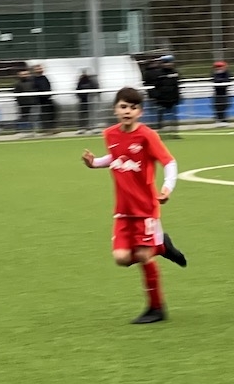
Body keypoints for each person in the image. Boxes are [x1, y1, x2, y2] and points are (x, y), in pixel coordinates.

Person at [82, 86, 188, 324]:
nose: (127, 111)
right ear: (115, 109)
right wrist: (94, 163)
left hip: (146, 210)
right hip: (123, 211)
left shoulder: (147, 136)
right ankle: (162, 246)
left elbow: (169, 162)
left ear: (140, 112)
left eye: (133, 107)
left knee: (142, 254)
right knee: (121, 258)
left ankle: (156, 308)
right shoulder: (110, 134)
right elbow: (116, 156)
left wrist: (167, 188)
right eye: (123, 106)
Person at [150, 54, 183, 137]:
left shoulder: (175, 73)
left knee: (173, 117)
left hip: (173, 99)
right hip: (161, 100)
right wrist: (157, 96)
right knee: (161, 118)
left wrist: (178, 96)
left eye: (170, 62)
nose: (168, 64)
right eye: (166, 62)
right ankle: (160, 135)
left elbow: (177, 86)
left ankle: (174, 133)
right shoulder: (158, 74)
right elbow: (153, 87)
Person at [32, 64, 56, 134]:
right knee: (44, 115)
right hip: (40, 100)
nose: (40, 70)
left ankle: (51, 129)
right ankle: (46, 129)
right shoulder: (33, 79)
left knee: (51, 113)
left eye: (40, 69)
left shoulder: (44, 78)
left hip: (47, 99)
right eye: (38, 69)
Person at [75, 68, 99, 134]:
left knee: (92, 113)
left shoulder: (92, 81)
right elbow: (77, 90)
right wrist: (81, 96)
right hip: (83, 100)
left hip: (91, 100)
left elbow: (96, 88)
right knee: (83, 114)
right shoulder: (81, 81)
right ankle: (82, 128)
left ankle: (93, 127)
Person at [13, 69, 35, 135]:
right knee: (24, 117)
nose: (25, 76)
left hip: (33, 102)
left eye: (26, 74)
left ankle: (31, 130)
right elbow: (16, 94)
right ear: (19, 75)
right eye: (23, 74)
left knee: (31, 117)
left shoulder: (32, 82)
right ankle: (21, 130)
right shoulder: (18, 84)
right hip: (23, 104)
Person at [211, 60, 231, 126]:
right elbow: (214, 80)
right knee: (217, 106)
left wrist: (221, 80)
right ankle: (219, 120)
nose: (218, 68)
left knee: (224, 106)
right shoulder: (214, 73)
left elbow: (227, 80)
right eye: (217, 67)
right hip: (217, 93)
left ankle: (224, 120)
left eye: (220, 66)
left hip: (224, 93)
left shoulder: (226, 73)